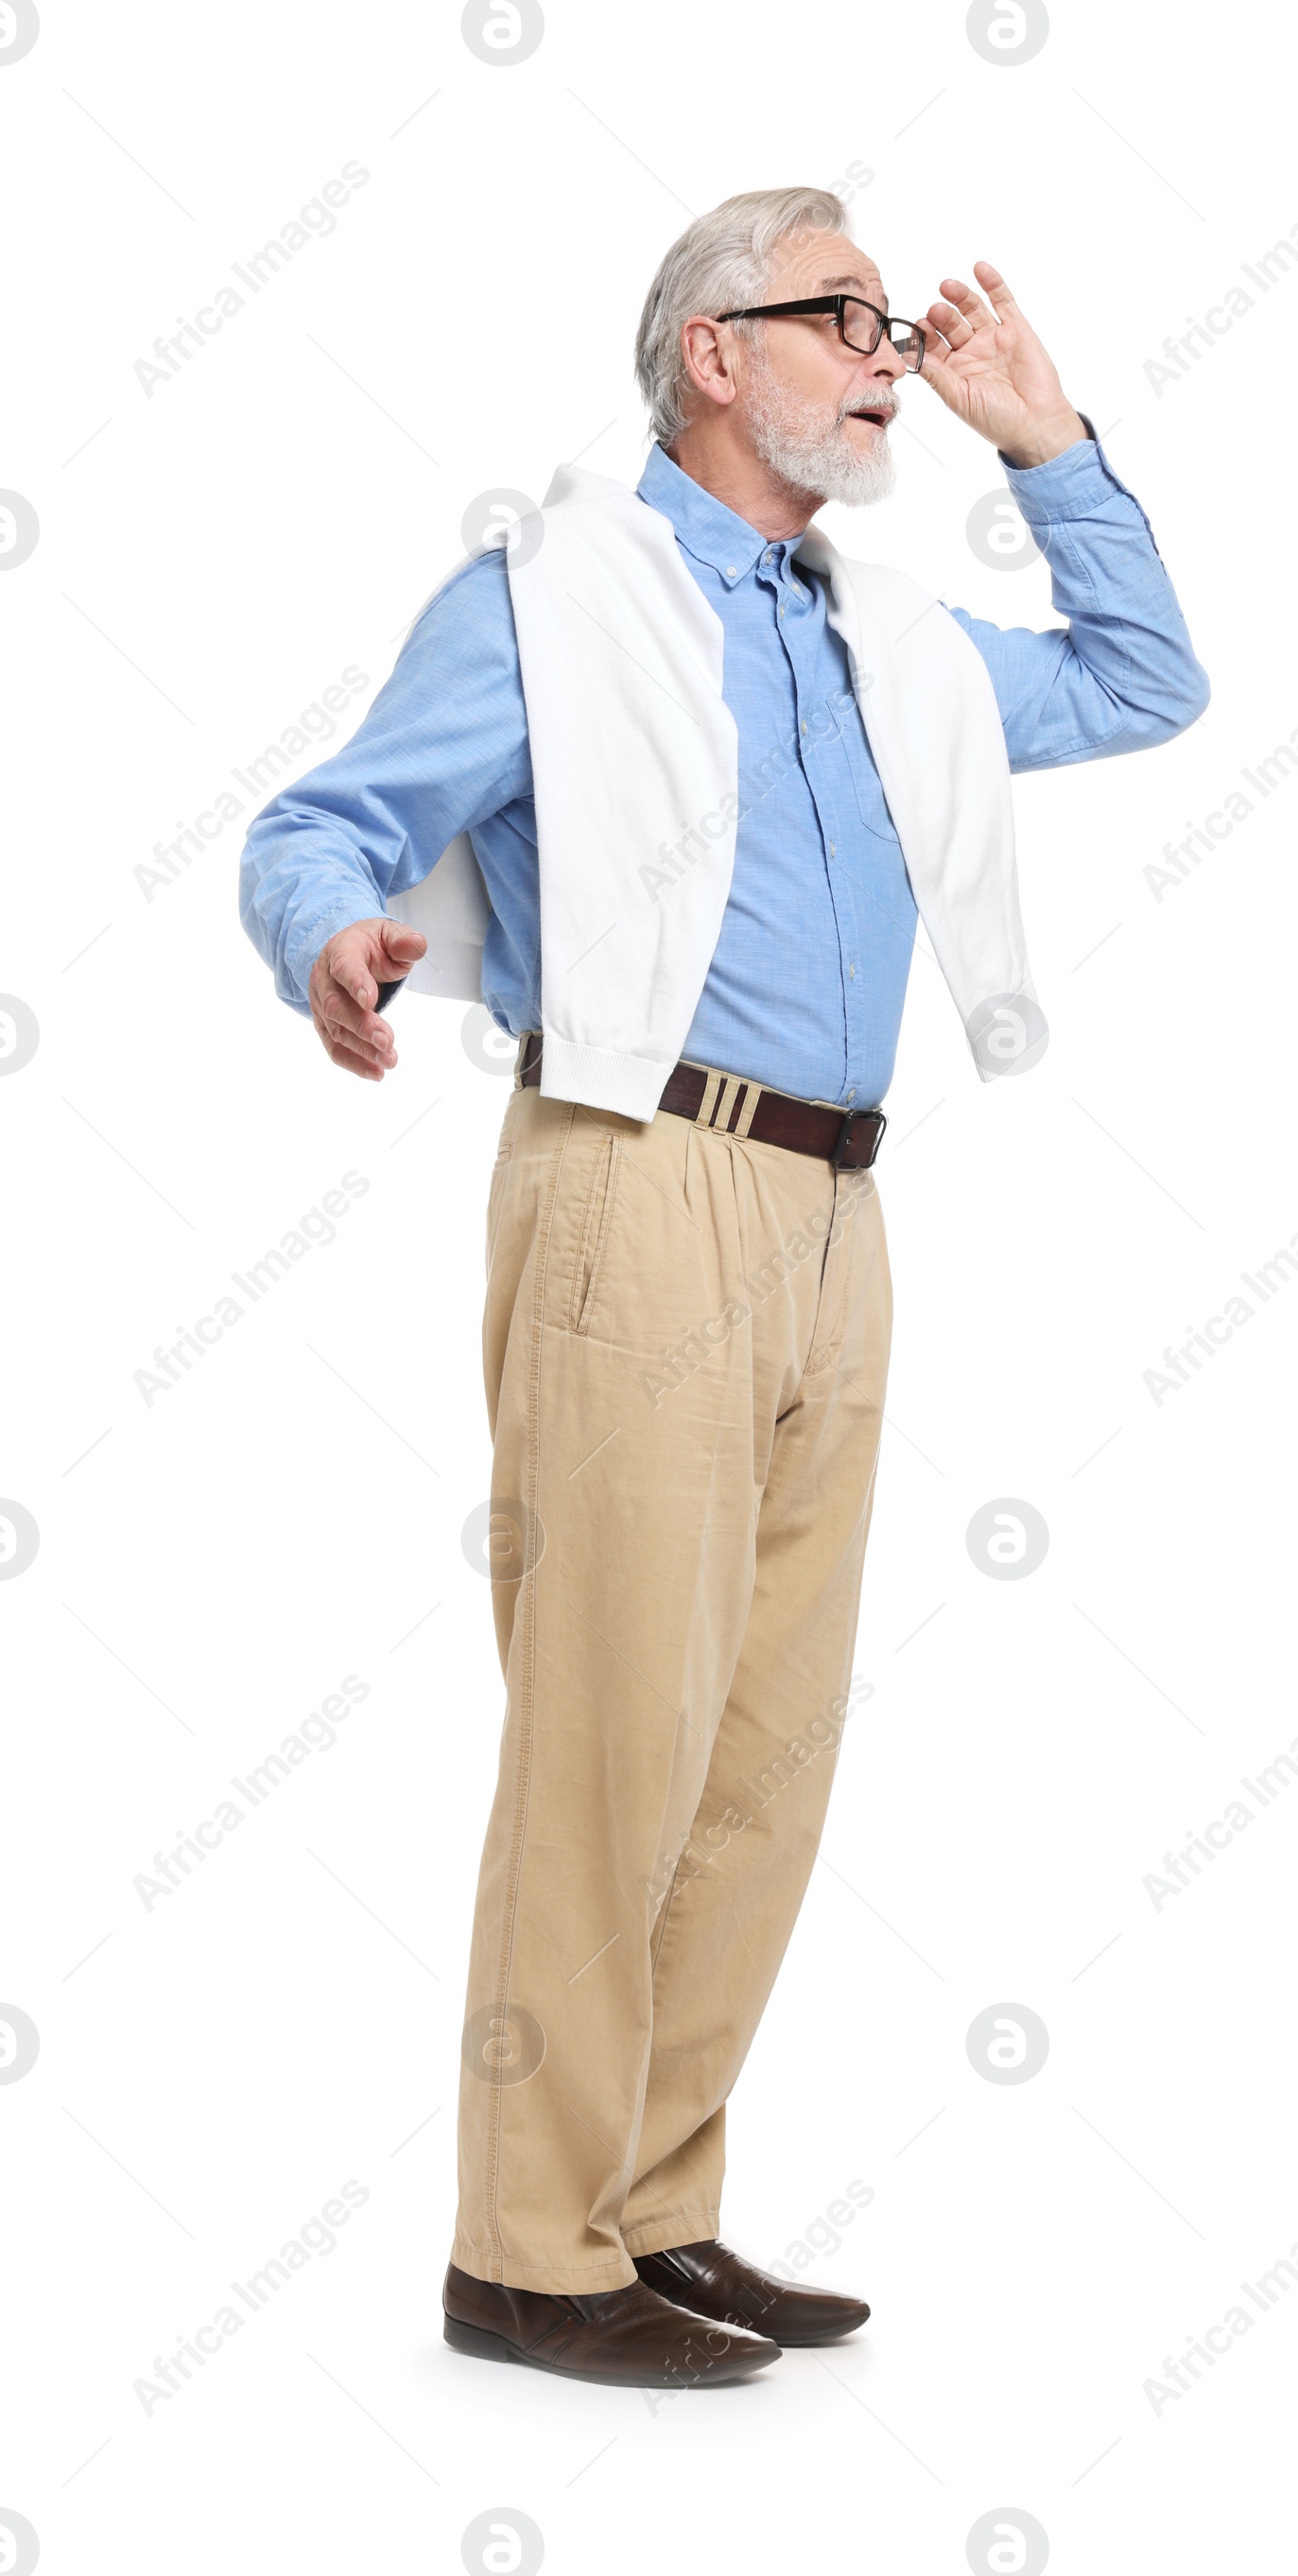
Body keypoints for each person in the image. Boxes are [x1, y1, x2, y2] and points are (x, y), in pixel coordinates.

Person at [239, 185, 1208, 2392]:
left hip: (835, 1214)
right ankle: (520, 2247)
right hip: (636, 1179)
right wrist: (331, 937)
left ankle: (650, 2205)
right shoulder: (552, 596)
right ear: (712, 352)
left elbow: (1147, 679)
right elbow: (328, 818)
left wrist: (1045, 442)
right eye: (843, 317)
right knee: (615, 1728)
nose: (888, 347)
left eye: (892, 319)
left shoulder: (877, 641)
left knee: (758, 1745)